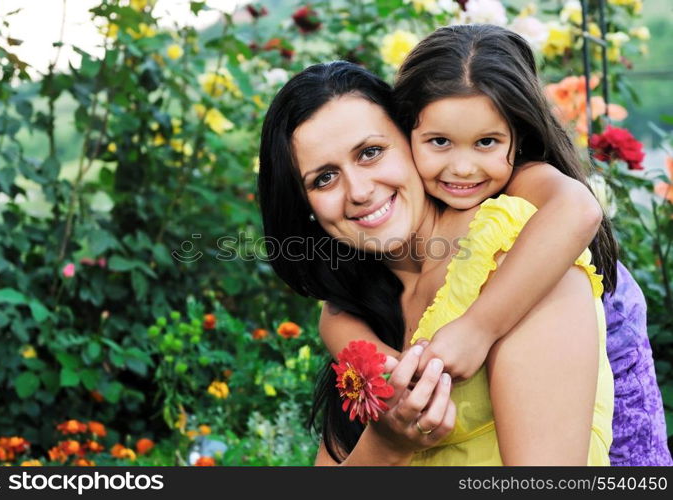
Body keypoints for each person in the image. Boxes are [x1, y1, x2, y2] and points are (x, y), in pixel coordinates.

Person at [320, 24, 671, 467]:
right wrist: (395, 373)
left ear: (517, 138)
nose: (463, 168)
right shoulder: (402, 239)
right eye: (439, 142)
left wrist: (477, 328)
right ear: (406, 133)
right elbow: (334, 318)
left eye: (486, 142)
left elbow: (579, 209)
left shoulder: (525, 190)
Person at [258, 50, 613, 465]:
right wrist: (387, 444)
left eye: (371, 152)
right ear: (306, 207)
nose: (358, 190)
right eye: (324, 178)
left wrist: (478, 328)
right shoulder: (356, 311)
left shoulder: (516, 248)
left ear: (411, 138)